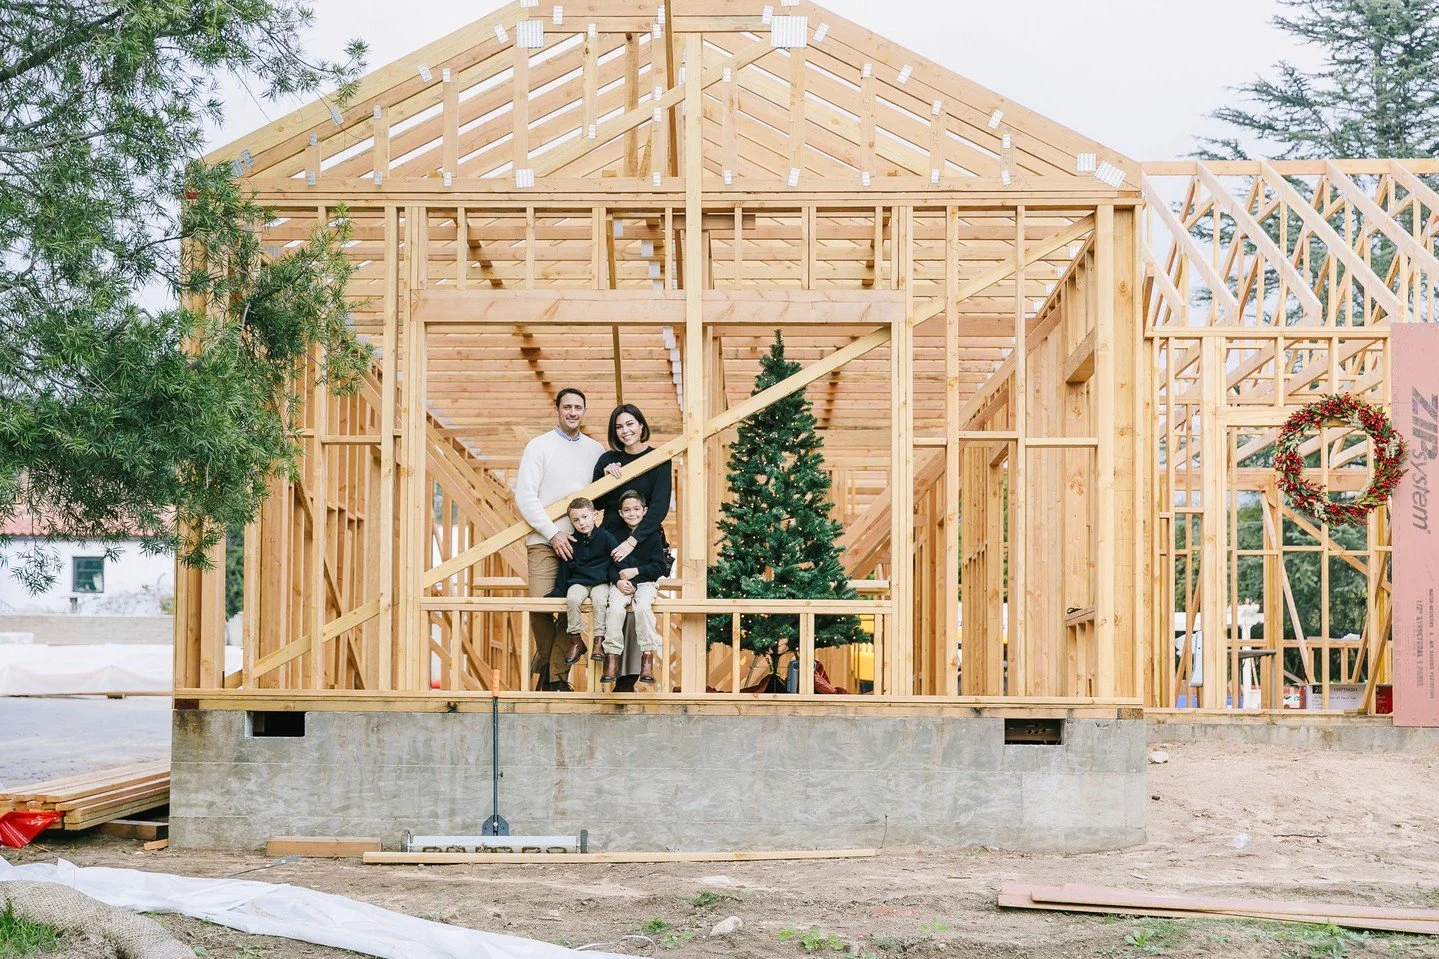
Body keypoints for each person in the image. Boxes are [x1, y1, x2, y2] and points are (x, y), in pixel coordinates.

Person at [515, 388, 604, 691]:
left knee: (573, 606)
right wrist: (553, 533)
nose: (572, 412)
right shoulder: (539, 446)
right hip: (543, 539)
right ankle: (549, 670)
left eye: (578, 407)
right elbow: (525, 496)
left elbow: (602, 494)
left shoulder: (595, 449)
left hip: (582, 544)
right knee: (539, 607)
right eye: (567, 407)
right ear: (557, 409)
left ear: (584, 410)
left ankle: (554, 679)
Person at [600, 490, 671, 688]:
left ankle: (647, 659)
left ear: (644, 510)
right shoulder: (614, 536)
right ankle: (612, 658)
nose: (632, 514)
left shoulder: (652, 535)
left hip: (645, 583)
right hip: (621, 584)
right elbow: (607, 565)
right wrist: (617, 581)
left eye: (636, 509)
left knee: (642, 609)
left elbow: (659, 567)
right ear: (621, 513)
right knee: (614, 609)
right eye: (627, 510)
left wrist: (636, 572)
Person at [593, 404, 673, 561]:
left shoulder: (659, 460)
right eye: (619, 427)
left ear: (641, 425)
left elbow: (659, 507)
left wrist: (631, 542)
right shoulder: (607, 460)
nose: (625, 430)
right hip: (610, 540)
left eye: (630, 424)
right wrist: (606, 481)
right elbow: (596, 504)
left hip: (644, 541)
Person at [548, 498, 620, 663]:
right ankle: (576, 641)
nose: (581, 522)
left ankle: (598, 641)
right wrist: (557, 591)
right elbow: (565, 568)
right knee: (572, 599)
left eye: (584, 517)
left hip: (600, 582)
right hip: (578, 582)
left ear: (594, 515)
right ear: (572, 522)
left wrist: (625, 579)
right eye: (576, 520)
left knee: (600, 600)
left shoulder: (606, 537)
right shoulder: (571, 541)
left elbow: (618, 561)